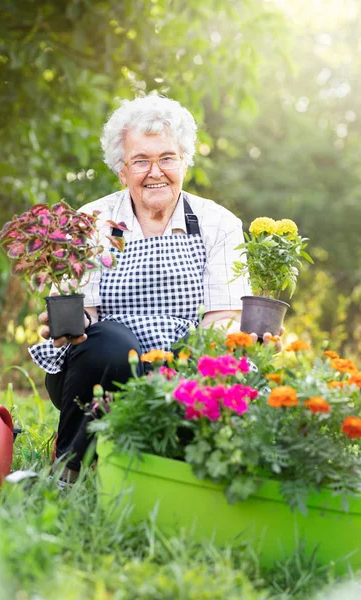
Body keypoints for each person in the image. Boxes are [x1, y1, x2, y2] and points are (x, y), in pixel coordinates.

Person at [29, 94, 271, 484]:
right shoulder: (92, 220)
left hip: (182, 348)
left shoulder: (217, 223)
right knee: (107, 345)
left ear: (185, 163)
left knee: (204, 358)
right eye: (140, 160)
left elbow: (221, 317)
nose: (154, 171)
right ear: (122, 171)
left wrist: (177, 365)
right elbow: (86, 312)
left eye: (167, 158)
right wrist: (68, 323)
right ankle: (68, 471)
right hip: (106, 360)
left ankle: (184, 475)